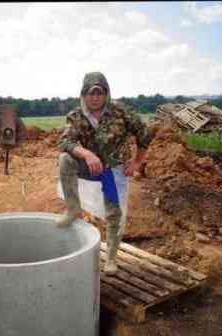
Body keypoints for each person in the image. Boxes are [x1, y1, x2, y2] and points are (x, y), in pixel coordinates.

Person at [56, 71, 152, 274]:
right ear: (84, 94)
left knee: (115, 213)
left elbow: (144, 134)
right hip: (92, 166)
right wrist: (87, 154)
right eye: (91, 93)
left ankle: (111, 258)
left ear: (106, 94)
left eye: (100, 93)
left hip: (114, 168)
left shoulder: (120, 111)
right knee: (65, 160)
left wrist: (136, 162)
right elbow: (66, 141)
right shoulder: (76, 115)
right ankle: (74, 209)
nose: (95, 97)